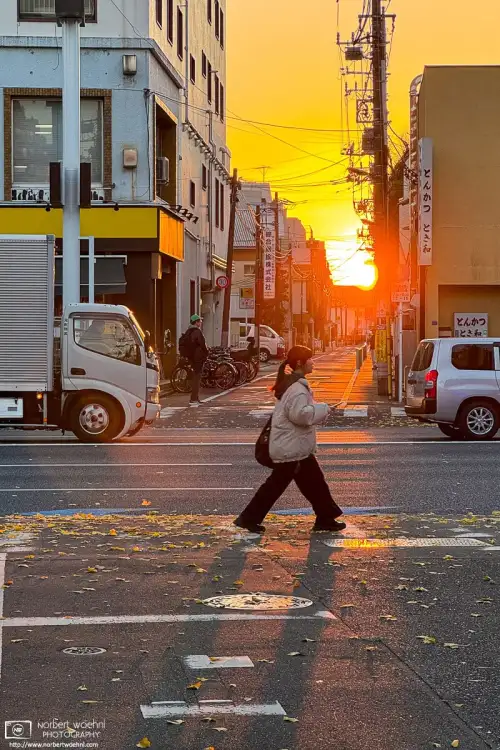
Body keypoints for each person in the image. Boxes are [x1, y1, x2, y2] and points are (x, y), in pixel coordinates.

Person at [234, 345, 346, 534]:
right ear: (300, 363)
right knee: (276, 486)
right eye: (309, 359)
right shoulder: (297, 389)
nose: (313, 362)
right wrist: (324, 409)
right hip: (291, 447)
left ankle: (325, 517)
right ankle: (248, 518)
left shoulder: (295, 384)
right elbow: (300, 415)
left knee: (315, 482)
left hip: (295, 446)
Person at [184, 314, 208, 406]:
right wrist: (206, 353)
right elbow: (202, 344)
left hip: (192, 358)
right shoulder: (197, 332)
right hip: (198, 358)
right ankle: (194, 398)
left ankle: (194, 397)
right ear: (196, 322)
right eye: (199, 321)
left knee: (195, 377)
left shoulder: (188, 331)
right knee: (197, 378)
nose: (200, 323)